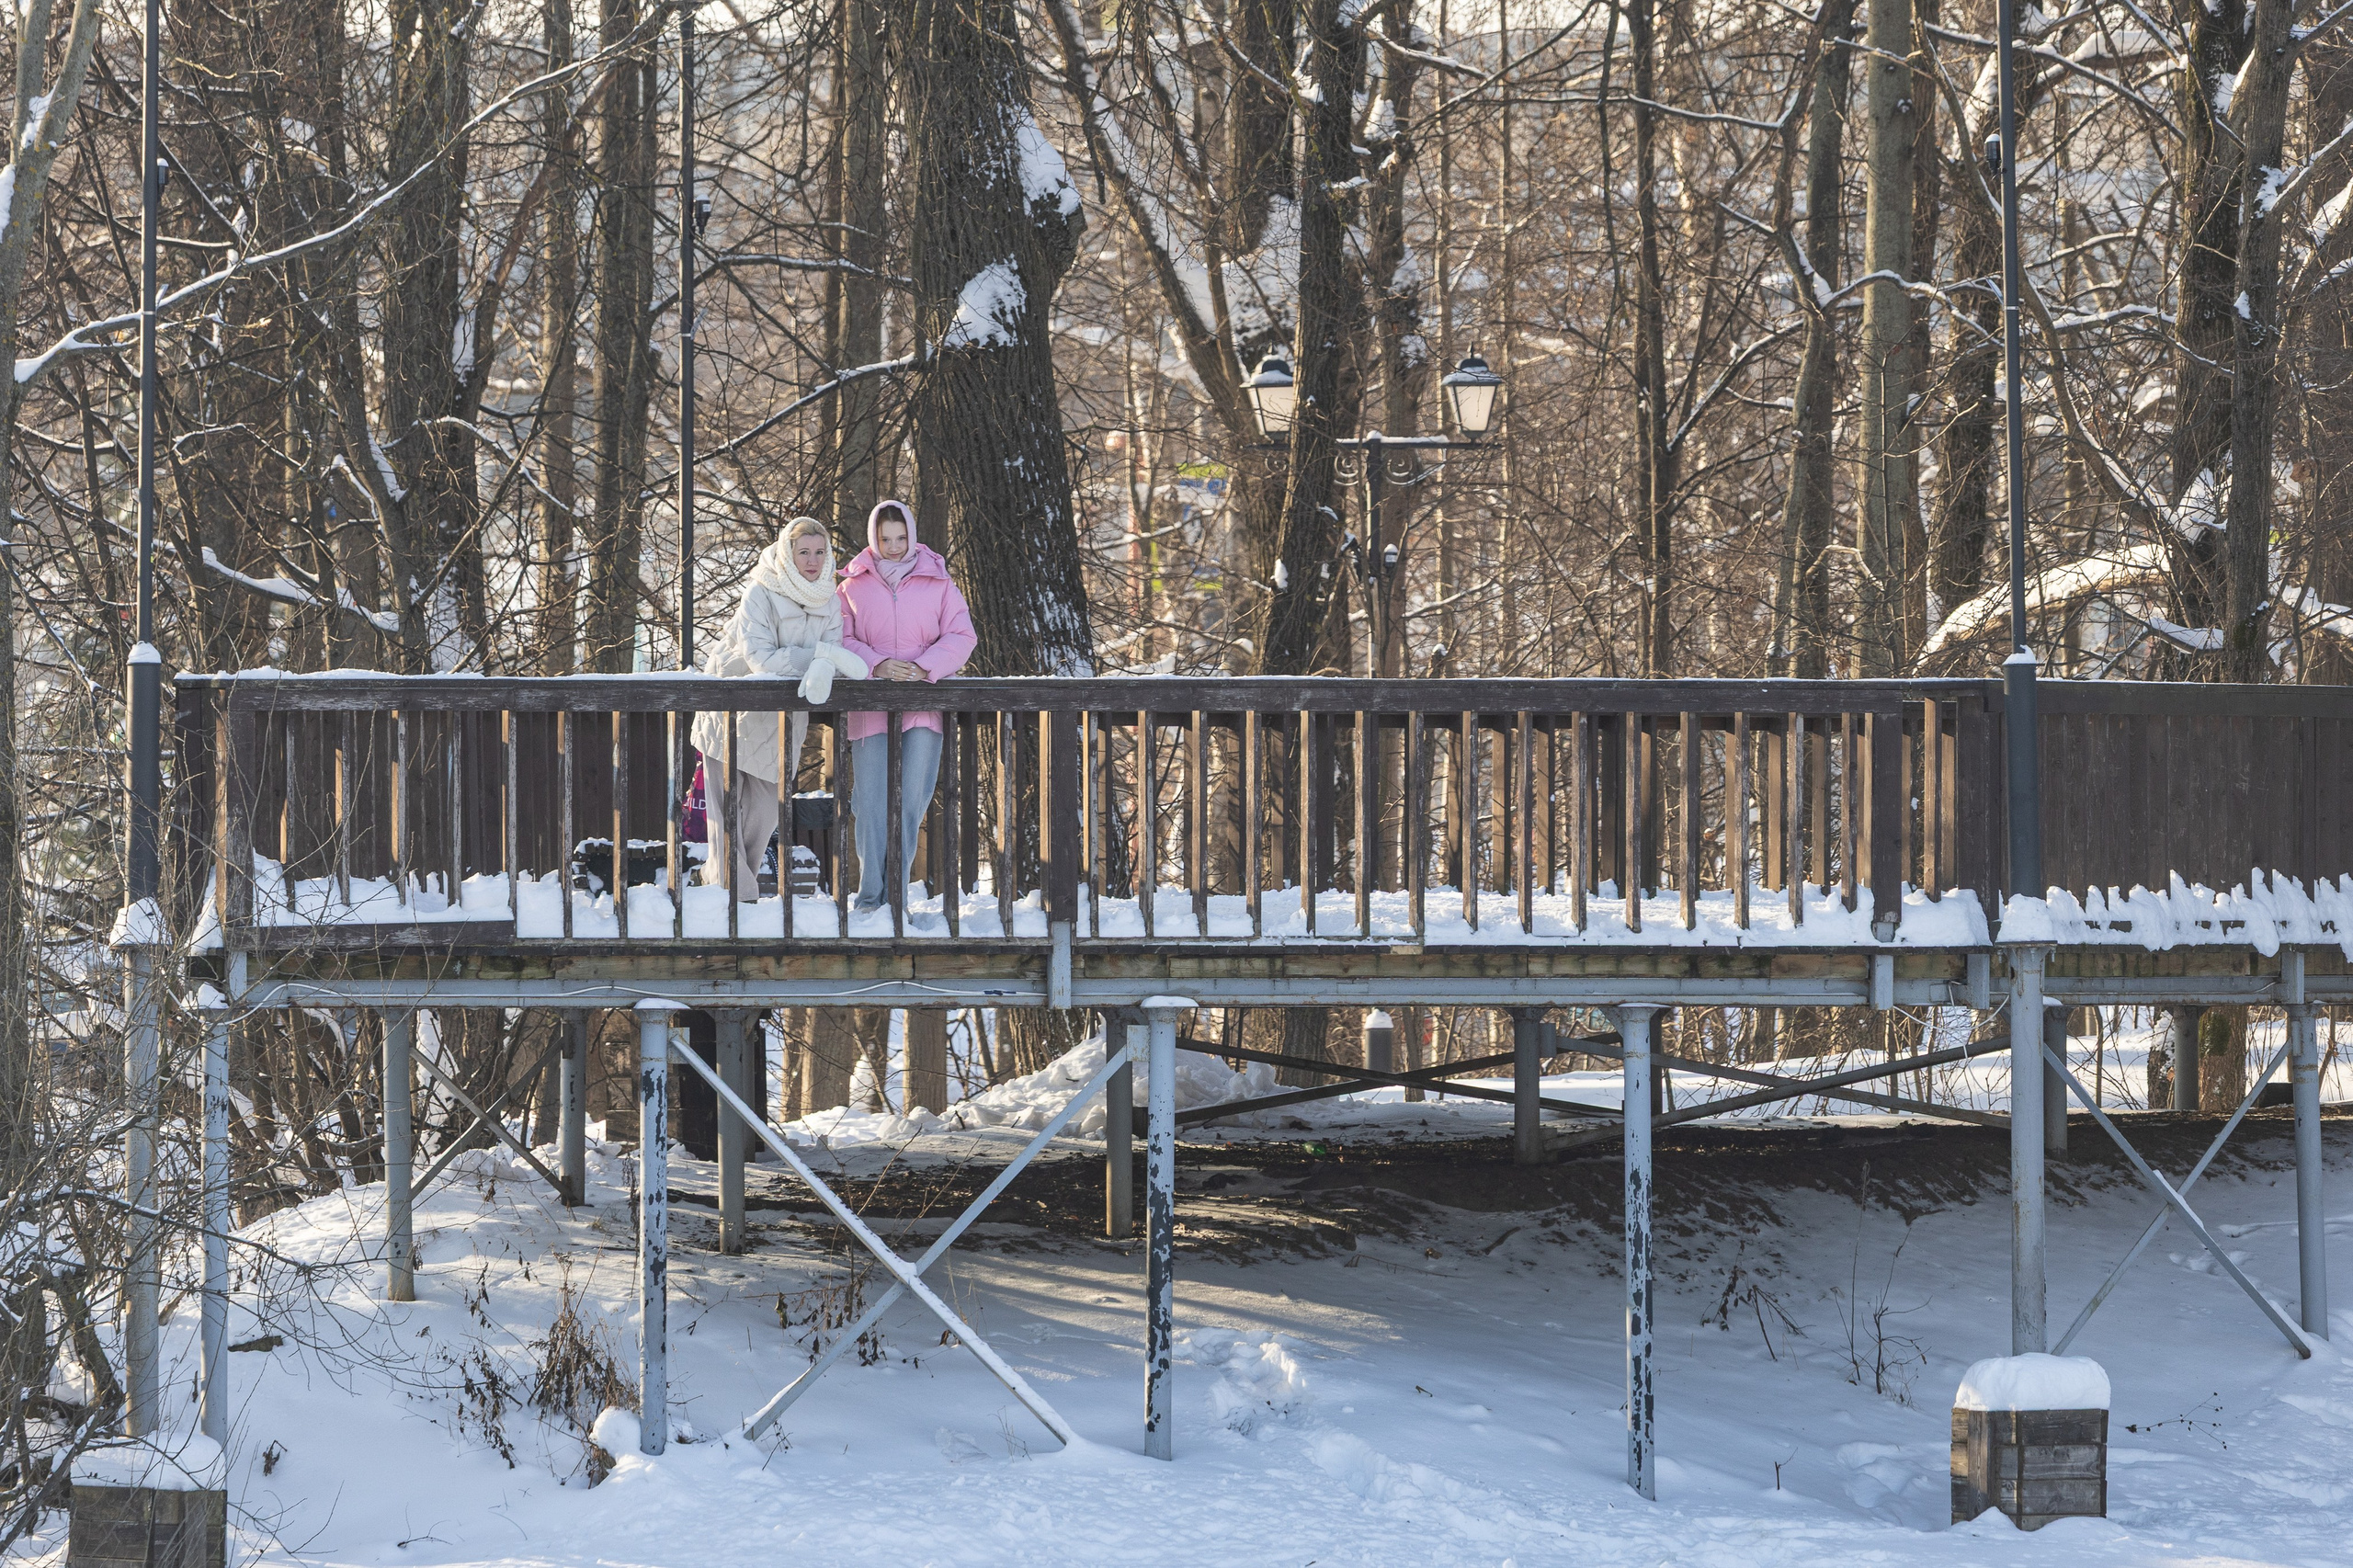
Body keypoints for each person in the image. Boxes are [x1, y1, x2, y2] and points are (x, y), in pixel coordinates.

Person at [691, 516, 869, 893]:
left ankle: (728, 882)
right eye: (804, 552)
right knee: (726, 805)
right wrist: (821, 656)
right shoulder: (760, 590)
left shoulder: (828, 599)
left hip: (784, 715)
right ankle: (735, 894)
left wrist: (825, 662)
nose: (813, 560)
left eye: (820, 552)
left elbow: (833, 662)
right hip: (733, 701)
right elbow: (760, 658)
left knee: (765, 808)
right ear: (788, 553)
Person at [837, 498, 976, 913]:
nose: (894, 547)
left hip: (923, 705)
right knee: (869, 803)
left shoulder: (940, 583)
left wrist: (924, 666)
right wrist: (876, 664)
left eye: (901, 538)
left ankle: (897, 896)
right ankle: (870, 897)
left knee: (911, 800)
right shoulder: (851, 586)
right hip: (870, 706)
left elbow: (961, 636)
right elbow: (838, 639)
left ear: (912, 536)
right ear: (873, 538)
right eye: (886, 539)